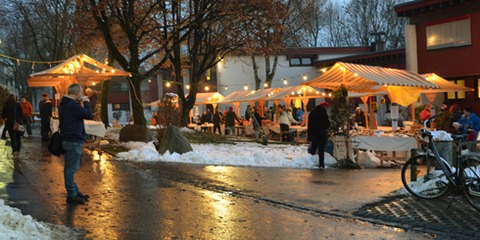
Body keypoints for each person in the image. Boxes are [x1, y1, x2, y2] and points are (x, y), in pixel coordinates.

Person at [59, 84, 93, 204]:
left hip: (68, 138)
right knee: (70, 169)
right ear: (76, 93)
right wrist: (87, 102)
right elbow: (88, 114)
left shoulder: (65, 103)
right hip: (73, 139)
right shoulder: (72, 105)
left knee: (70, 167)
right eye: (80, 93)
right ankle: (72, 194)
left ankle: (74, 191)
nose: (81, 95)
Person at [308, 103, 331, 168]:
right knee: (321, 149)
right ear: (324, 106)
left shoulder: (312, 113)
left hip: (314, 133)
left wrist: (309, 134)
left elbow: (309, 124)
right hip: (321, 134)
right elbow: (328, 123)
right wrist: (324, 128)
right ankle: (321, 164)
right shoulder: (323, 113)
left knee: (313, 147)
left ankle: (309, 161)